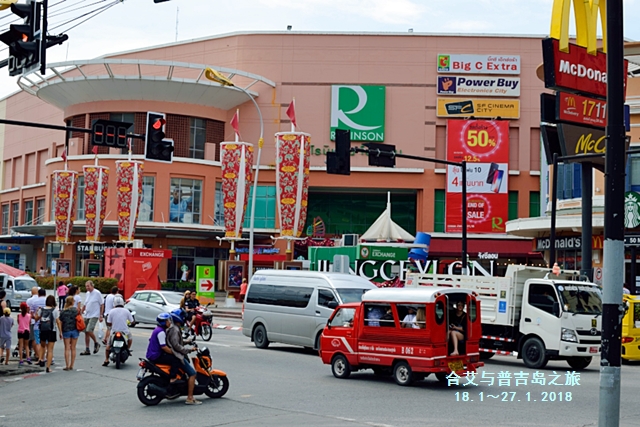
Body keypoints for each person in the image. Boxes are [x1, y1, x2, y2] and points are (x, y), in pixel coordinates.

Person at [166, 309, 201, 405]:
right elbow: (176, 346)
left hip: (175, 354)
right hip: (178, 355)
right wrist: (188, 350)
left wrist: (187, 342)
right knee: (192, 373)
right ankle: (190, 398)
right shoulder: (175, 329)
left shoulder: (174, 327)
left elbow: (177, 342)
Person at [102, 295, 133, 367]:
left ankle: (106, 360)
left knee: (108, 346)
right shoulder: (126, 311)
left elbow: (109, 323)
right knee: (130, 339)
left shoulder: (111, 311)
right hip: (125, 331)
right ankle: (128, 349)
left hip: (114, 331)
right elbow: (132, 321)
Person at [36, 295, 59, 372]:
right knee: (50, 350)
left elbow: (36, 319)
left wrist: (36, 312)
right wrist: (61, 332)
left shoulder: (41, 310)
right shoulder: (55, 310)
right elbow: (58, 321)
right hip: (52, 331)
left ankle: (41, 359)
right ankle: (48, 367)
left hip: (43, 330)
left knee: (42, 346)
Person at [81, 280, 104, 356]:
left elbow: (102, 304)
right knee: (86, 332)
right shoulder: (87, 293)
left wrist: (101, 315)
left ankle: (96, 343)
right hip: (87, 314)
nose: (87, 288)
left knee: (89, 330)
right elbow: (85, 304)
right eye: (86, 286)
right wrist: (81, 311)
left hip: (94, 314)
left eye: (88, 286)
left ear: (92, 285)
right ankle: (87, 349)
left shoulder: (97, 293)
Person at [58, 296, 79, 371]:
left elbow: (60, 322)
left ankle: (67, 365)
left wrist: (60, 331)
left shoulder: (63, 312)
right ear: (72, 302)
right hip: (75, 330)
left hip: (66, 330)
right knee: (73, 348)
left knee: (67, 348)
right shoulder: (76, 310)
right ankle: (72, 365)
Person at [27, 287, 46, 364]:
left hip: (36, 324)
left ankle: (39, 357)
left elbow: (30, 313)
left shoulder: (33, 302)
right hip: (47, 324)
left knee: (37, 341)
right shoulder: (48, 301)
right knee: (46, 342)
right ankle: (48, 357)